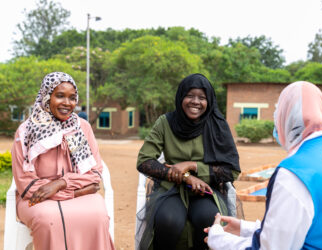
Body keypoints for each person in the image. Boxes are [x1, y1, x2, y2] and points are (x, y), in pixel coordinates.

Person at [205, 81, 322, 249]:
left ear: (285, 118)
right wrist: (247, 228)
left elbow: (271, 248)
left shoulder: (294, 172)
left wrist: (218, 239)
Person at [136, 73, 241, 250]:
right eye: (190, 95)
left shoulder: (217, 126)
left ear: (209, 101)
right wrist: (186, 177)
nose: (195, 101)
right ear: (180, 97)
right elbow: (144, 161)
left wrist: (192, 166)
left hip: (207, 191)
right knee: (169, 221)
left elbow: (231, 171)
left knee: (208, 220)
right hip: (172, 189)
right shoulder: (166, 122)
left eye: (202, 97)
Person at [11, 72, 115, 250]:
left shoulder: (78, 128)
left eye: (72, 98)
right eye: (60, 96)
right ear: (46, 96)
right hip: (37, 199)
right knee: (48, 219)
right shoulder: (26, 132)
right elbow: (27, 186)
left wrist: (61, 183)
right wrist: (76, 193)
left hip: (64, 191)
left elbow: (93, 173)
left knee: (97, 215)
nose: (67, 103)